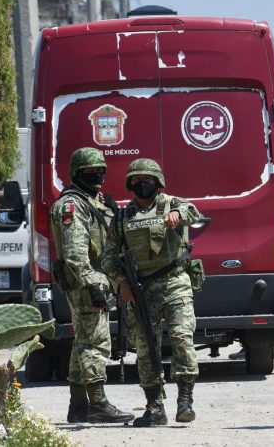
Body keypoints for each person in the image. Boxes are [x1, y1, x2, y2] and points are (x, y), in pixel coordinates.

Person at [101, 158, 200, 427]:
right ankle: (155, 407)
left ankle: (185, 401)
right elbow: (108, 257)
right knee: (145, 350)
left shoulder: (173, 204)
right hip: (140, 290)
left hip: (174, 282)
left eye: (147, 180)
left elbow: (194, 213)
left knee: (182, 339)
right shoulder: (122, 217)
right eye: (135, 180)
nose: (141, 184)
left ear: (157, 183)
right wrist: (120, 282)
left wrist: (178, 216)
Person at [50, 147, 133, 424]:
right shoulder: (72, 205)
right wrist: (94, 283)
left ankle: (78, 406)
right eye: (90, 172)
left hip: (95, 280)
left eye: (100, 171)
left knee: (82, 342)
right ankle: (98, 403)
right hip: (87, 283)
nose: (97, 176)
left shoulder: (93, 201)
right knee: (95, 342)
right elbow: (74, 255)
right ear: (76, 174)